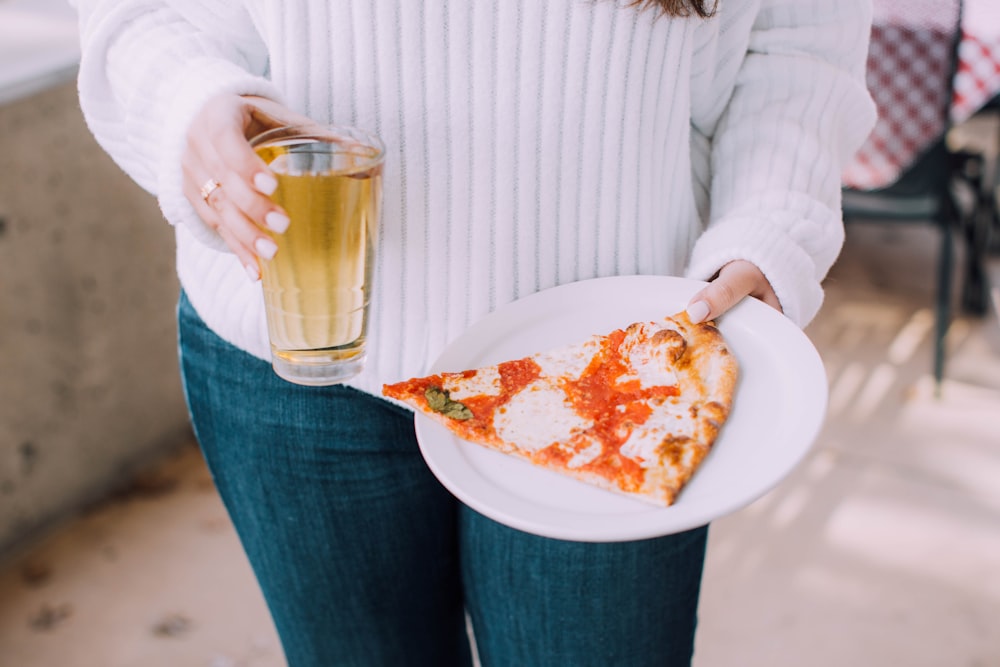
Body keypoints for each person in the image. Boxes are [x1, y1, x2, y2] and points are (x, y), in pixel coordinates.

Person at [70, 0, 876, 665]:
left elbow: (797, 44)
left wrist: (770, 226)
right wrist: (187, 98)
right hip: (294, 347)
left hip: (612, 367)